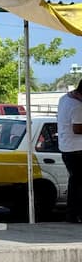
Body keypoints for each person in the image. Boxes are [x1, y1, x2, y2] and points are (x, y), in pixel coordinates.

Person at [57, 79, 82, 224]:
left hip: (66, 147)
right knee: (78, 184)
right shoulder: (77, 106)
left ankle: (72, 214)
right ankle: (76, 214)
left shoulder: (64, 98)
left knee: (75, 182)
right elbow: (77, 128)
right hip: (77, 148)